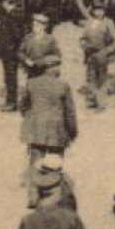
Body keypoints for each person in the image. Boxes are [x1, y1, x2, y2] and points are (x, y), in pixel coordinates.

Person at [20, 54, 78, 200]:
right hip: (56, 131)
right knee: (54, 163)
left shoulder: (31, 83)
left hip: (35, 129)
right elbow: (69, 112)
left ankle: (33, 196)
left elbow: (23, 105)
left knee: (35, 162)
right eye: (57, 67)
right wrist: (72, 131)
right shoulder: (63, 85)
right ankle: (54, 196)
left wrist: (31, 119)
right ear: (51, 68)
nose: (59, 70)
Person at [78, 4, 115, 111]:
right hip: (90, 55)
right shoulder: (89, 22)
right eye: (97, 10)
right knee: (91, 78)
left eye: (101, 10)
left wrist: (107, 51)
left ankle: (101, 104)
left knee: (102, 79)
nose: (99, 13)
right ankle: (93, 99)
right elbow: (83, 36)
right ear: (93, 11)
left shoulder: (108, 22)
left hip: (101, 54)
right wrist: (82, 43)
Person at [0, 0, 28, 112]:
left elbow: (17, 36)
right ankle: (13, 101)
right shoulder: (14, 15)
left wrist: (13, 50)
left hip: (10, 54)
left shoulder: (12, 17)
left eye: (3, 3)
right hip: (10, 52)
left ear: (8, 3)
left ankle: (11, 103)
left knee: (10, 78)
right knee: (11, 77)